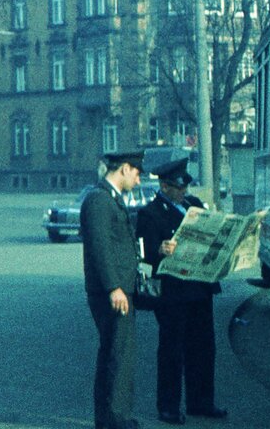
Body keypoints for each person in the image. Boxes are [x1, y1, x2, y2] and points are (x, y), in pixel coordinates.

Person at [136, 154, 226, 425]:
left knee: (203, 347)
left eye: (185, 185)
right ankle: (168, 406)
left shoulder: (194, 206)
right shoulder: (149, 214)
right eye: (178, 186)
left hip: (200, 288)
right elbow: (142, 254)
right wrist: (158, 250)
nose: (184, 191)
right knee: (172, 349)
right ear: (164, 187)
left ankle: (201, 401)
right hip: (172, 294)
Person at [82, 150, 144, 429]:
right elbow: (100, 248)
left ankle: (111, 419)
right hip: (112, 293)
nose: (139, 180)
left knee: (117, 352)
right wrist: (114, 287)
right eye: (137, 173)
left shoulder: (109, 199)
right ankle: (116, 420)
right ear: (124, 169)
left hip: (118, 290)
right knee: (117, 354)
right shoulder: (99, 200)